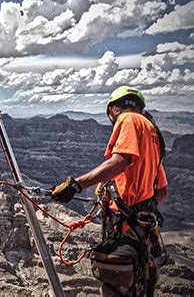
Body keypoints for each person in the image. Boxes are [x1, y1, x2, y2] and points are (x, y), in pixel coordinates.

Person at [50, 86, 168, 296]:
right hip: (142, 235)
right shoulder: (151, 133)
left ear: (112, 110)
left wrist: (76, 184)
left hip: (124, 233)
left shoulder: (129, 120)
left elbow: (119, 162)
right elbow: (161, 192)